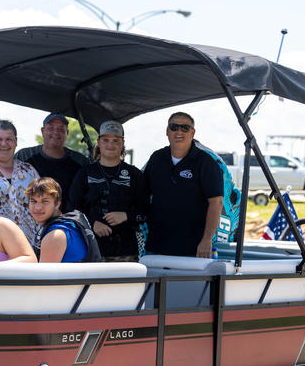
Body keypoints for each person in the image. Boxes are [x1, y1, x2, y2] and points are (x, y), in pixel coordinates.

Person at [143, 112, 223, 258]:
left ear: (192, 132)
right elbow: (142, 193)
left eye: (185, 128)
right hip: (157, 244)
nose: (179, 132)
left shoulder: (206, 162)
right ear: (167, 131)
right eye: (174, 127)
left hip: (193, 247)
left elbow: (216, 202)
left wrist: (206, 240)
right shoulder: (156, 158)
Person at [68, 120, 149, 261]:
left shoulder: (134, 174)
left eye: (116, 140)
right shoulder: (85, 173)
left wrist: (126, 216)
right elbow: (71, 208)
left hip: (126, 251)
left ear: (123, 143)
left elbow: (146, 210)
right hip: (90, 249)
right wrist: (92, 223)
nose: (110, 145)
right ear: (98, 142)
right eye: (106, 140)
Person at [15, 113, 89, 211]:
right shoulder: (24, 156)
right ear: (42, 131)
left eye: (61, 129)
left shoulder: (81, 161)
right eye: (51, 128)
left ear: (67, 133)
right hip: (29, 218)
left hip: (68, 220)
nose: (56, 132)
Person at [26, 177, 101, 263]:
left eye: (45, 201)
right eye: (34, 201)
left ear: (57, 204)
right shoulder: (69, 224)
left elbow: (43, 276)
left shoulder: (55, 236)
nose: (38, 207)